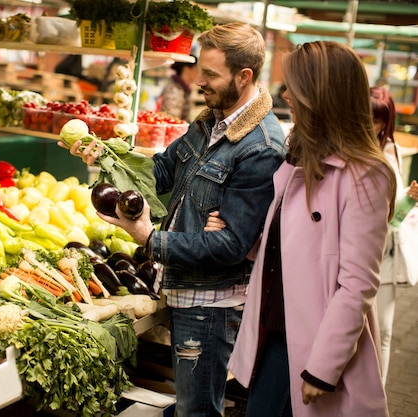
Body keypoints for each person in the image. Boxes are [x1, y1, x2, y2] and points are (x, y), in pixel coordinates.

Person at [60, 22, 286, 417]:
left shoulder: (261, 148)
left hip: (211, 305)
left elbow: (230, 246)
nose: (200, 81)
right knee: (188, 407)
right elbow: (161, 172)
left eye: (212, 74)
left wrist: (150, 238)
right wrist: (105, 157)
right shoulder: (211, 121)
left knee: (196, 411)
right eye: (200, 68)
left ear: (244, 76)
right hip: (185, 288)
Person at [221, 41, 396, 417]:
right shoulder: (300, 156)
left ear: (321, 95)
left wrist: (323, 367)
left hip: (310, 349)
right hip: (273, 334)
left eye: (294, 86)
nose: (285, 94)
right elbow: (289, 242)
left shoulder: (366, 174)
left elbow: (358, 283)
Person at [370, 86, 418, 385]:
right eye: (368, 118)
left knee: (384, 333)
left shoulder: (394, 152)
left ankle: (376, 400)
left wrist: (410, 199)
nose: (371, 126)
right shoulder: (351, 150)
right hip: (356, 255)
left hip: (385, 255)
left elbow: (395, 218)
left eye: (378, 120)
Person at [156, 56, 199, 122]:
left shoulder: (182, 88)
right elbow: (172, 120)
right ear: (187, 69)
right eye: (196, 69)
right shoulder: (174, 90)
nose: (198, 73)